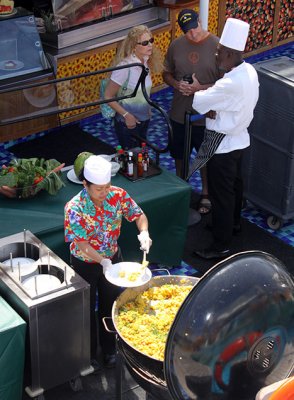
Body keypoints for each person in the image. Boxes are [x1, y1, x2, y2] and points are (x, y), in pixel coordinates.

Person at [64, 155, 152, 370]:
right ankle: (89, 354)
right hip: (85, 262)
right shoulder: (75, 208)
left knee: (110, 304)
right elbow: (82, 243)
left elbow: (138, 214)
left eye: (106, 187)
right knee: (86, 309)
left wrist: (144, 231)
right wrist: (102, 261)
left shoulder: (118, 195)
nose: (104, 193)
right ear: (85, 184)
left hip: (113, 257)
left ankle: (110, 350)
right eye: (98, 189)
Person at [190, 18, 259, 259]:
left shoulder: (230, 82)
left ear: (229, 54)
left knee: (222, 195)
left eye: (219, 52)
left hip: (222, 143)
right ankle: (232, 225)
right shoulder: (249, 71)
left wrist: (206, 99)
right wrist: (216, 106)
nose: (216, 55)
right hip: (240, 138)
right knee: (235, 189)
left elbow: (200, 101)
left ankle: (221, 244)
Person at [162, 9, 220, 215]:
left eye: (194, 28)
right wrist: (177, 84)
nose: (192, 34)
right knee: (179, 155)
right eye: (187, 31)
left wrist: (199, 88)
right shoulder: (176, 45)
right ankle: (181, 189)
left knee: (203, 157)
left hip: (205, 116)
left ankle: (205, 193)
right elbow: (166, 73)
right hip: (179, 112)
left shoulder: (217, 46)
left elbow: (226, 84)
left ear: (201, 21)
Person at [104, 25, 163, 149]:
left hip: (144, 119)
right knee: (131, 159)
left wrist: (147, 108)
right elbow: (107, 96)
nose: (150, 45)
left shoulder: (145, 62)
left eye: (151, 41)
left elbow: (142, 91)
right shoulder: (125, 67)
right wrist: (127, 116)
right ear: (133, 46)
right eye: (145, 43)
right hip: (127, 122)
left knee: (141, 156)